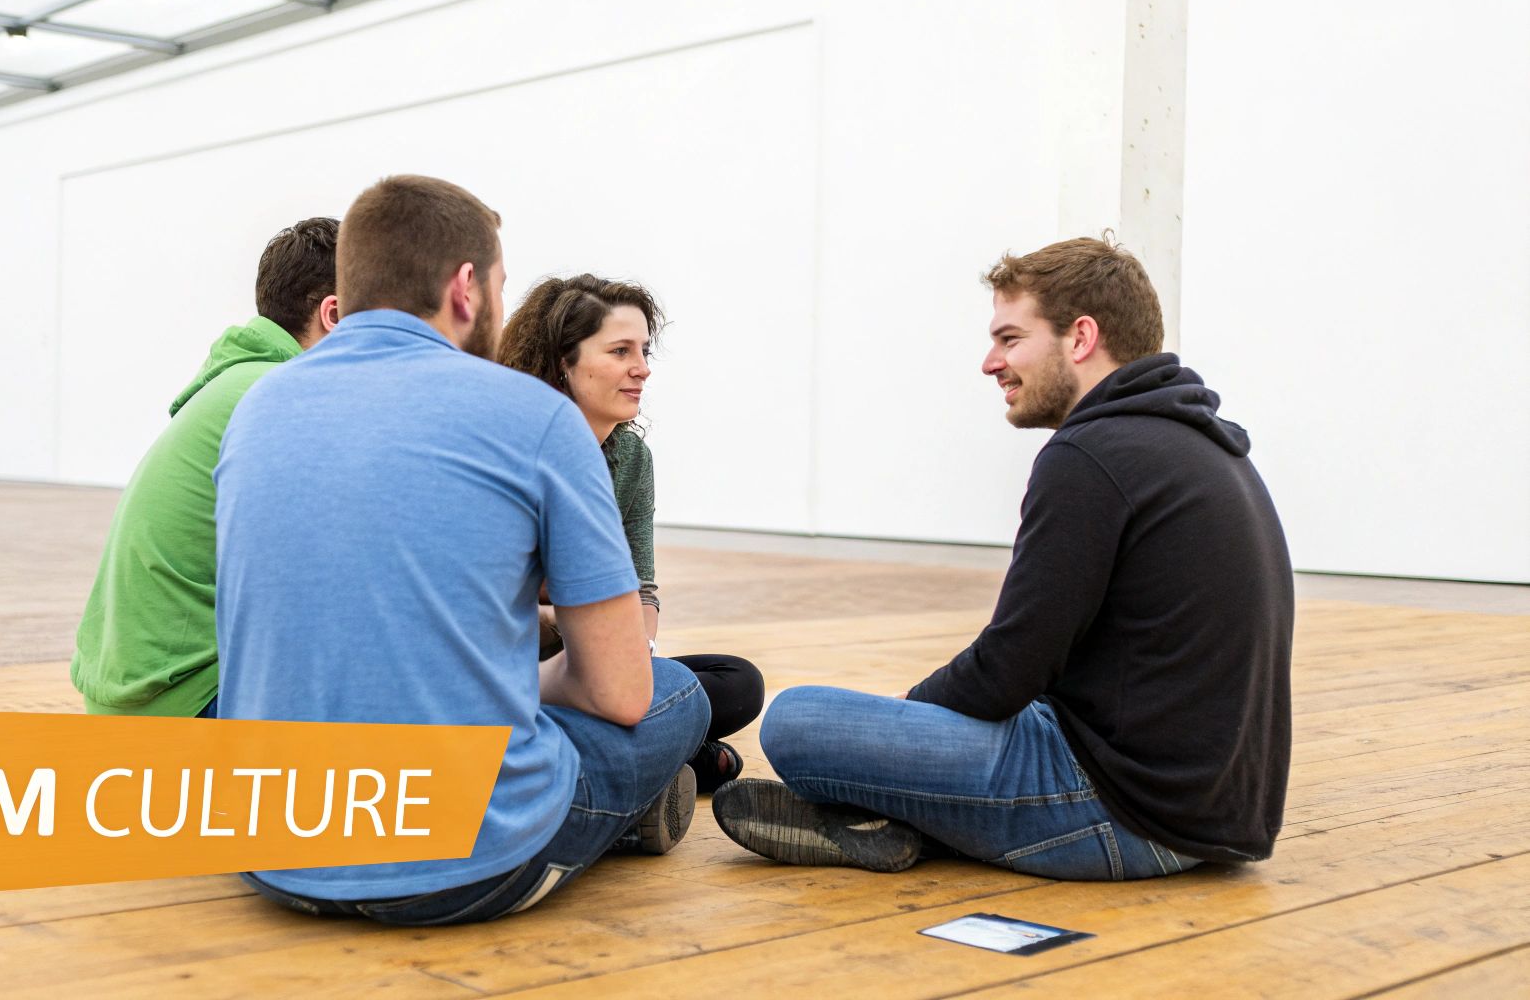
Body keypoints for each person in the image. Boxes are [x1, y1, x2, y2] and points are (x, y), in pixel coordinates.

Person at [713, 235, 1293, 881]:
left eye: (1011, 339)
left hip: (1126, 815)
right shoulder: (1207, 447)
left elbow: (1009, 670)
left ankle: (913, 816)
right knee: (971, 716)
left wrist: (914, 709)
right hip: (1218, 818)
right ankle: (905, 821)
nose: (992, 363)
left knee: (798, 721)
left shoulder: (1091, 455)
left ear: (1081, 337)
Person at [215, 175, 711, 925]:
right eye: (501, 288)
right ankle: (622, 818)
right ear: (465, 287)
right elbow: (619, 694)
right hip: (463, 867)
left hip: (271, 851)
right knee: (676, 692)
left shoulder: (257, 410)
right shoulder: (538, 419)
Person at [498, 274, 764, 793]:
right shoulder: (512, 449)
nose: (642, 368)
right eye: (621, 351)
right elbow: (492, 608)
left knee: (738, 683)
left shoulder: (631, 458)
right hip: (516, 664)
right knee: (654, 697)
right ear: (562, 361)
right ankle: (668, 754)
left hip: (595, 661)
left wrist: (636, 649)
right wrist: (578, 627)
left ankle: (649, 750)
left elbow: (641, 589)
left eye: (643, 350)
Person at [70, 217, 341, 719]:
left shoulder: (234, 381)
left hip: (133, 694)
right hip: (185, 702)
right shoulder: (280, 394)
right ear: (335, 315)